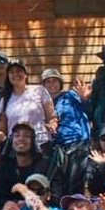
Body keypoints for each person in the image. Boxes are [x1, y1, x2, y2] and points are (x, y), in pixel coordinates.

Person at [41, 68, 92, 201]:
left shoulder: (71, 95)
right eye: (48, 82)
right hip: (58, 147)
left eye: (55, 81)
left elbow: (89, 111)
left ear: (60, 83)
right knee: (59, 184)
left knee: (76, 182)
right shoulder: (43, 104)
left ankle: (78, 208)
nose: (52, 84)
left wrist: (85, 99)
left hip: (78, 142)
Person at [0, 59, 58, 158]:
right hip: (17, 149)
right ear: (8, 77)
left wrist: (52, 125)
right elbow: (1, 129)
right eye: (12, 72)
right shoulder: (4, 100)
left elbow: (52, 117)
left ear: (25, 74)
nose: (15, 74)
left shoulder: (40, 91)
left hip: (41, 144)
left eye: (19, 71)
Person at [0, 122, 51, 206]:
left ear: (32, 141)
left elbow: (53, 195)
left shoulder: (45, 166)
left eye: (26, 136)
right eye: (17, 136)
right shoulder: (4, 167)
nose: (21, 139)